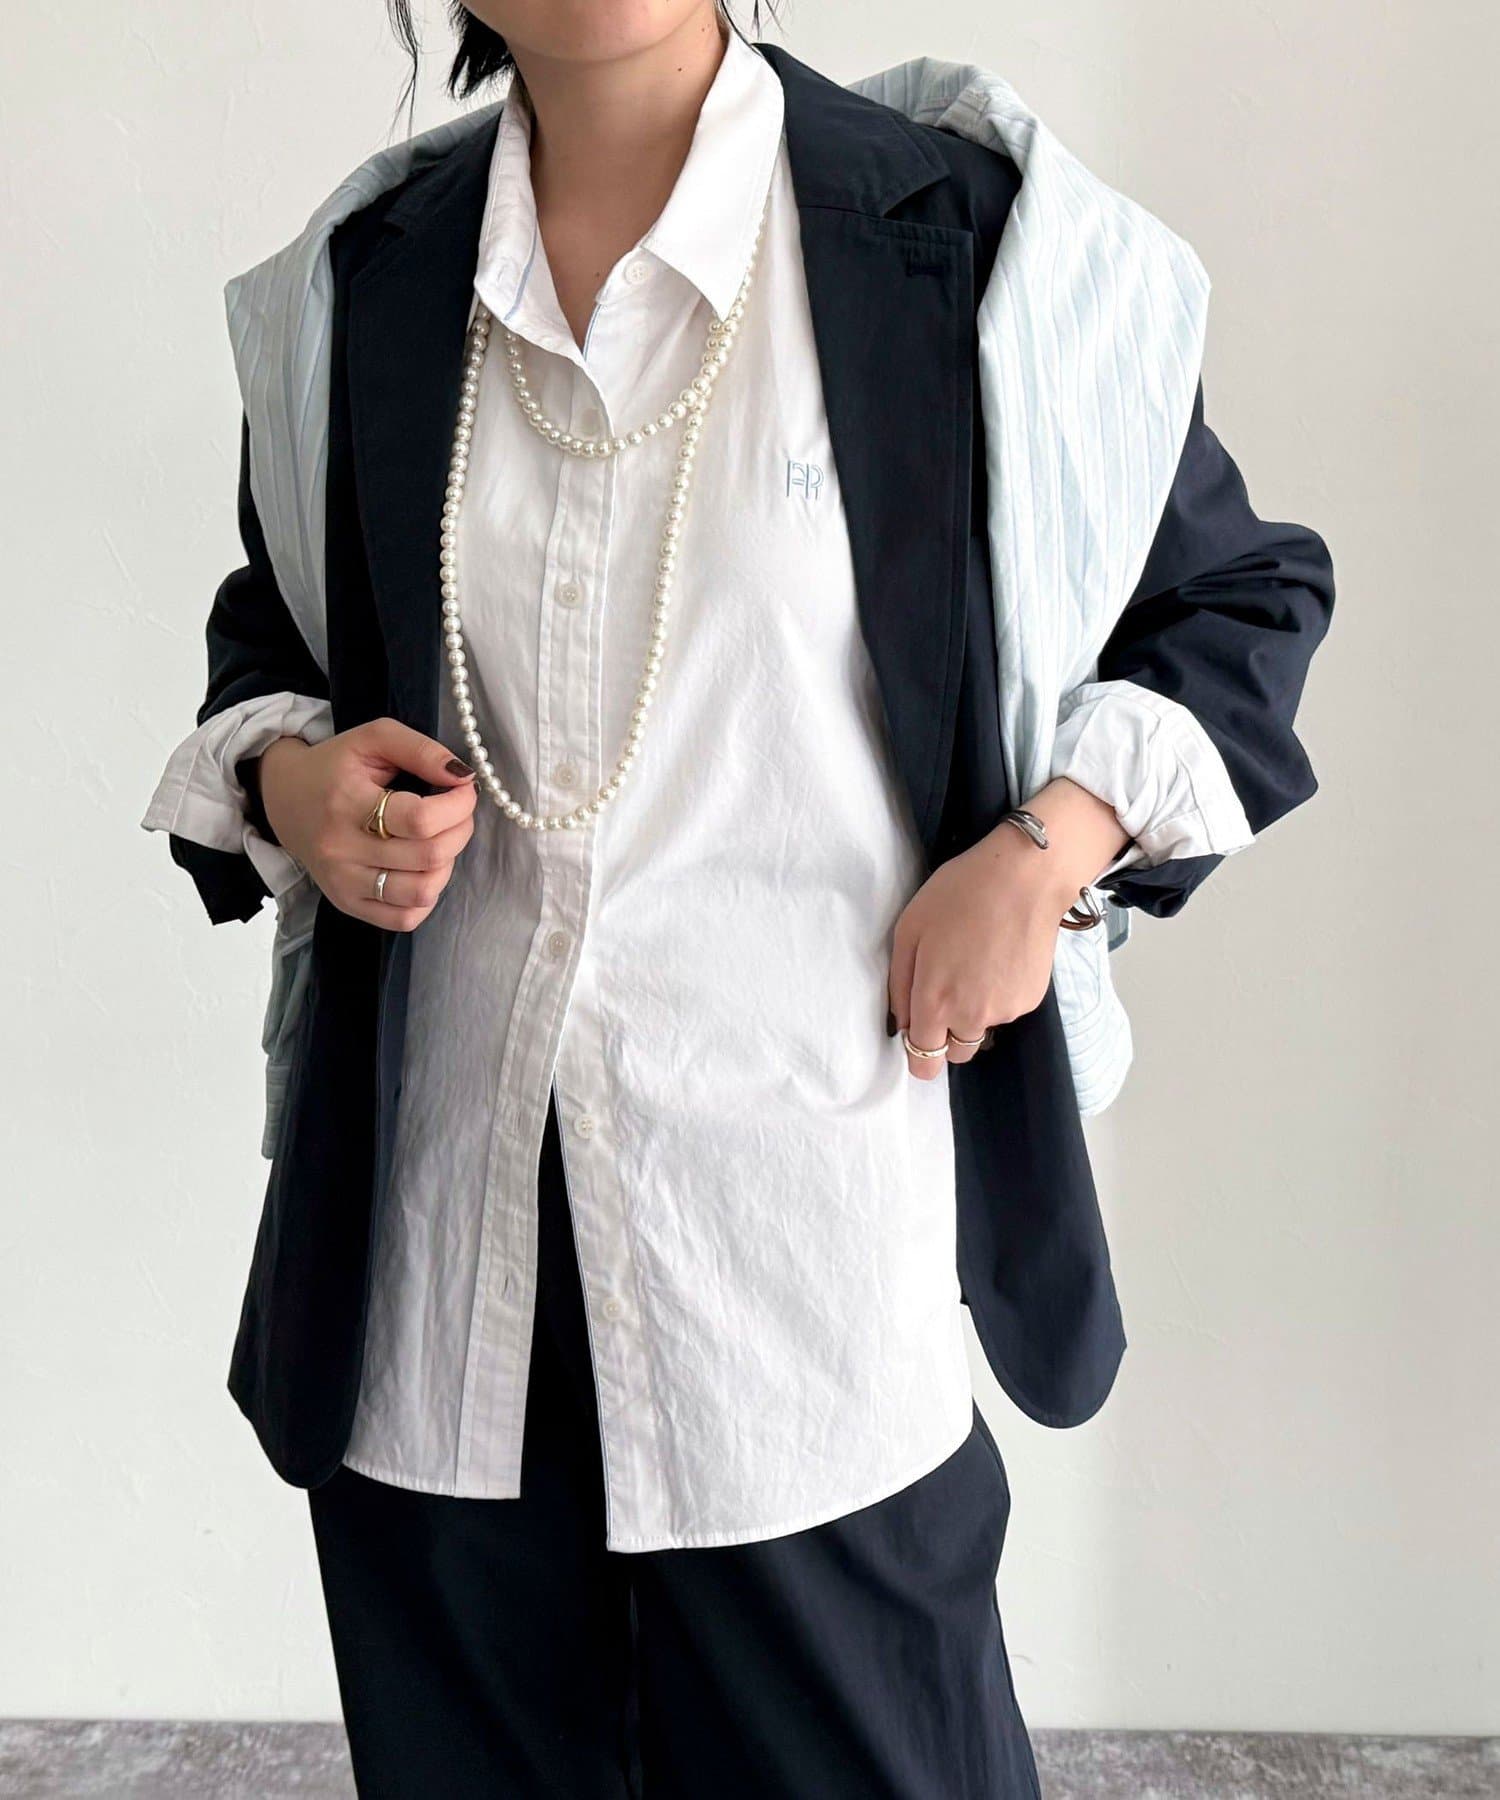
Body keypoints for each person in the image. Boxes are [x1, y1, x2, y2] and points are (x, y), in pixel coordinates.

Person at [141, 3, 1334, 1793]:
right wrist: (295, 787)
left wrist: (1049, 848)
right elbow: (279, 636)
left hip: (798, 1272)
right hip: (443, 1285)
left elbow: (1237, 601)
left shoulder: (961, 237)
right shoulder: (363, 278)